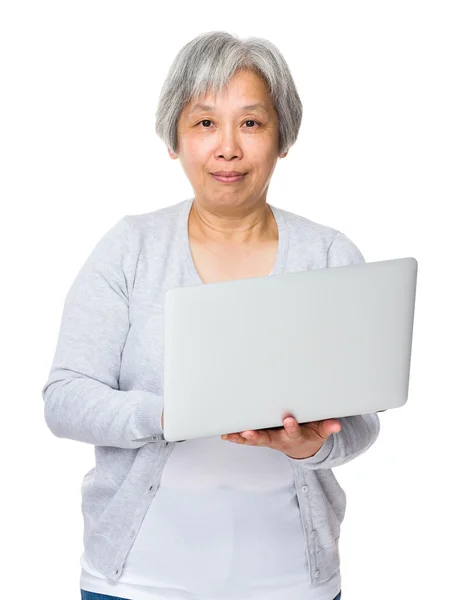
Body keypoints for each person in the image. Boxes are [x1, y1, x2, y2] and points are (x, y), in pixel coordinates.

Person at [41, 30, 380, 600]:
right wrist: (173, 415)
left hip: (292, 584)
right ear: (174, 139)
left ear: (282, 138)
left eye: (251, 123)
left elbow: (363, 418)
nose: (228, 147)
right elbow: (65, 399)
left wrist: (309, 446)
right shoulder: (131, 248)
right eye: (204, 123)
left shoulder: (327, 256)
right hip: (135, 584)